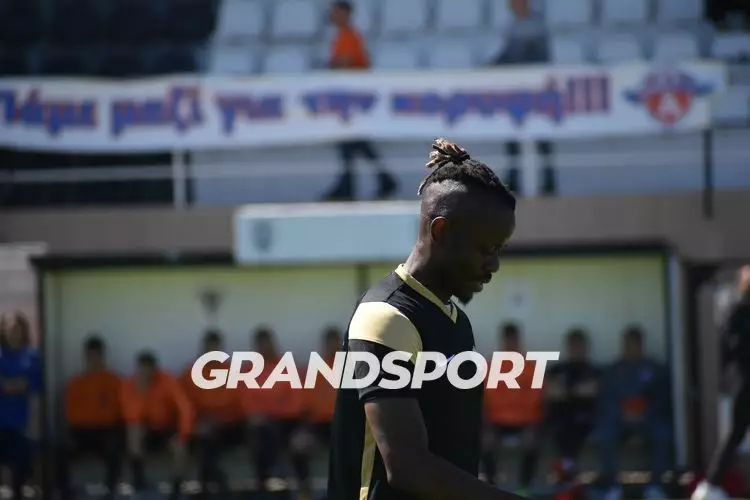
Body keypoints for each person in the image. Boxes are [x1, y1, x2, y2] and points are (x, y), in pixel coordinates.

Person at [327, 138, 524, 500]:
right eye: (486, 249)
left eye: (500, 250)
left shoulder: (455, 321)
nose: (494, 264)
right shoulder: (386, 317)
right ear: (440, 231)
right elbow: (407, 467)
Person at [321, 0, 397, 202]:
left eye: (336, 12)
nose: (333, 16)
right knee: (356, 143)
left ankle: (350, 185)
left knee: (351, 143)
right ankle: (377, 180)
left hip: (352, 99)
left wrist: (329, 68)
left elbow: (345, 64)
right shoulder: (343, 36)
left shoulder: (350, 37)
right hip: (347, 98)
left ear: (346, 14)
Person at [692, 265, 750, 500]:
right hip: (745, 382)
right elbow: (735, 347)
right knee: (736, 433)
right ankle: (709, 487)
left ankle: (710, 485)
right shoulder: (738, 312)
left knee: (736, 434)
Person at [596, 326, 671, 500]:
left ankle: (655, 487)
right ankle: (612, 487)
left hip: (648, 418)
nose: (631, 348)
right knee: (605, 434)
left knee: (663, 434)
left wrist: (645, 414)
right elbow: (606, 400)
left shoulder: (654, 369)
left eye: (634, 344)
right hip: (620, 419)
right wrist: (622, 414)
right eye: (627, 344)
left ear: (641, 345)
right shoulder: (614, 370)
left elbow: (661, 399)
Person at [121, 351, 193, 500]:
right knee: (134, 431)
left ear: (155, 370)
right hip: (146, 428)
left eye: (149, 370)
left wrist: (183, 434)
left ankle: (177, 486)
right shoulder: (130, 385)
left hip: (166, 426)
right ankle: (138, 480)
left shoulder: (167, 381)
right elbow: (131, 416)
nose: (146, 374)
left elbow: (185, 408)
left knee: (179, 445)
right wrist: (141, 393)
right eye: (142, 370)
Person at [180, 330, 244, 495]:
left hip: (228, 427)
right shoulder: (190, 374)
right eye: (209, 349)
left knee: (207, 441)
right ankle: (221, 488)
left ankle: (207, 489)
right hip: (199, 428)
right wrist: (197, 422)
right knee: (204, 441)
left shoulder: (233, 372)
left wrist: (218, 419)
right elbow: (184, 406)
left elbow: (239, 406)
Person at [59, 335, 123, 499]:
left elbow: (119, 411)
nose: (93, 360)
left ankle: (110, 489)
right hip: (81, 431)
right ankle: (65, 491)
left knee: (114, 446)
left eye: (97, 356)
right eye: (90, 356)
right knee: (60, 447)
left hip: (106, 430)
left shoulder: (114, 381)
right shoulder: (76, 383)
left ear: (103, 356)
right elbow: (70, 413)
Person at [482, 322, 543, 496]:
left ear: (518, 341)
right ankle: (492, 487)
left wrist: (532, 425)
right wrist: (486, 425)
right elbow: (484, 400)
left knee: (532, 442)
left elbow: (537, 399)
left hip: (525, 422)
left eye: (513, 340)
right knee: (484, 442)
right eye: (507, 340)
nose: (510, 344)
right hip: (497, 422)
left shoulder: (530, 367)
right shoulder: (491, 366)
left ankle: (524, 487)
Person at [545, 328, 600, 486]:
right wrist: (577, 391)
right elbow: (552, 392)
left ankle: (568, 474)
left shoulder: (593, 370)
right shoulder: (558, 369)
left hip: (585, 419)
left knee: (576, 425)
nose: (577, 350)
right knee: (561, 427)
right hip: (561, 420)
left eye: (580, 346)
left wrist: (566, 391)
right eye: (574, 346)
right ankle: (568, 474)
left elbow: (592, 390)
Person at [0, 311, 41, 500]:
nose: (13, 332)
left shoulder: (32, 356)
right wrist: (14, 384)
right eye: (9, 328)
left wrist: (8, 384)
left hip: (23, 424)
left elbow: (31, 383)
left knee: (20, 469)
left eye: (17, 328)